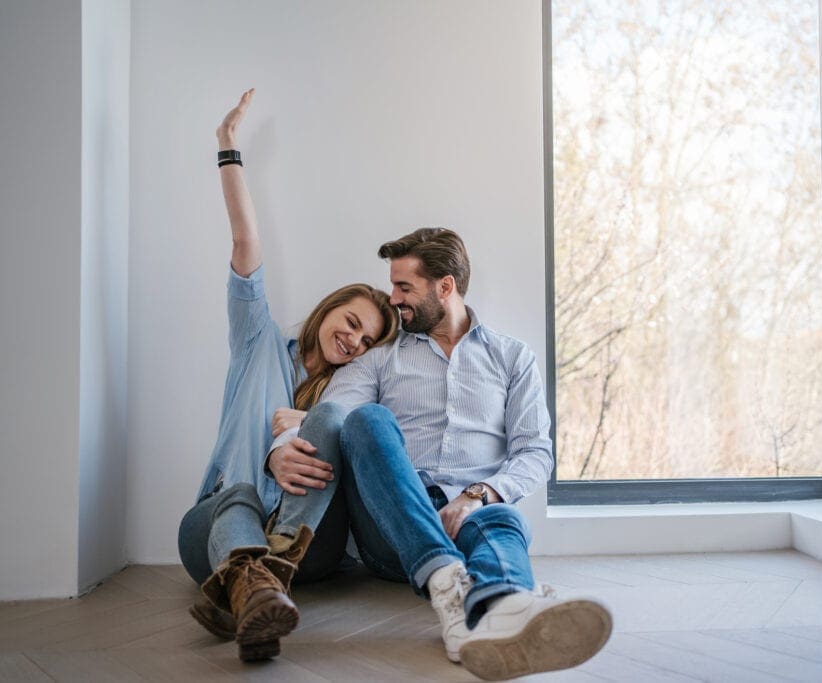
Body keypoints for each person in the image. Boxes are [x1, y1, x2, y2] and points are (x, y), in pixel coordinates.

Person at [268, 227, 613, 679]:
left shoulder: (512, 358)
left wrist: (479, 492)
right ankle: (458, 582)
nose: (393, 298)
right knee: (368, 421)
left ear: (444, 287)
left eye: (404, 287)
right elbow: (331, 418)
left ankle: (499, 611)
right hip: (391, 524)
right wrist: (278, 448)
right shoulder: (379, 359)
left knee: (503, 517)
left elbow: (535, 453)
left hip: (469, 514)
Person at [177, 89, 399, 662]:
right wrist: (228, 149)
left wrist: (305, 425)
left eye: (366, 339)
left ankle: (253, 582)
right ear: (330, 308)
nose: (353, 340)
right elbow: (246, 242)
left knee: (327, 417)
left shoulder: (348, 392)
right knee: (242, 494)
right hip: (217, 521)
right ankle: (257, 594)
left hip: (311, 543)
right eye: (351, 322)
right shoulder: (258, 341)